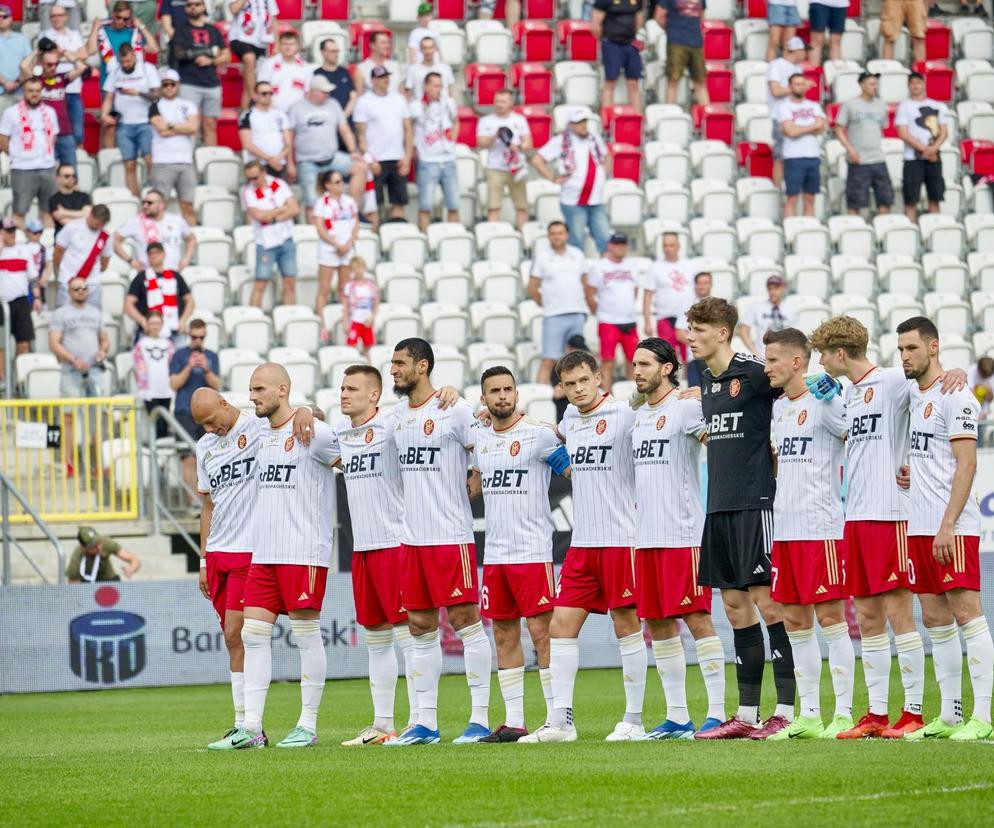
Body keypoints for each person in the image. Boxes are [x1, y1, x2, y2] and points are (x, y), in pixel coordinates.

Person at [807, 314, 965, 739]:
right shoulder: (849, 395)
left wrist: (956, 370)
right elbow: (844, 434)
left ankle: (912, 711)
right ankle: (876, 714)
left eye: (823, 353)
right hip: (854, 518)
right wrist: (826, 401)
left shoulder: (894, 381)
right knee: (868, 614)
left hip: (890, 515)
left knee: (898, 612)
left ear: (840, 353)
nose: (820, 361)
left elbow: (933, 380)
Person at [209, 364, 339, 750]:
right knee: (252, 634)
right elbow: (228, 418)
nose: (252, 396)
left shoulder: (314, 433)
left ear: (283, 390)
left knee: (305, 634)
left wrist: (308, 410)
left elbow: (353, 463)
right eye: (251, 390)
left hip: (303, 550)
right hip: (263, 552)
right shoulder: (257, 430)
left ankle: (308, 726)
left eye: (259, 389)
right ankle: (251, 728)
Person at [683, 297, 796, 741]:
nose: (690, 336)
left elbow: (797, 383)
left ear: (722, 332)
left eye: (698, 329)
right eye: (689, 328)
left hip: (754, 503)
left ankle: (785, 711)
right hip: (718, 507)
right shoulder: (706, 381)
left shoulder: (752, 370)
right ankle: (746, 715)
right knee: (733, 608)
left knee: (768, 603)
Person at [520, 350, 643, 743]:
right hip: (582, 544)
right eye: (569, 384)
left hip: (621, 540)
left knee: (626, 625)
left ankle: (634, 720)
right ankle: (561, 722)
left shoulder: (624, 415)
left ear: (598, 378)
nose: (577, 389)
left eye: (583, 381)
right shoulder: (570, 419)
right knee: (560, 627)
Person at [192, 385, 317, 750]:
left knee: (239, 631)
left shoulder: (256, 428)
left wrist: (307, 408)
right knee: (231, 637)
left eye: (212, 421)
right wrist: (202, 559)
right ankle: (241, 723)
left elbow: (295, 417)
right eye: (203, 425)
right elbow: (208, 506)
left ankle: (252, 726)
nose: (210, 429)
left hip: (252, 549)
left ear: (225, 404)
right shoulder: (205, 448)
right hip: (218, 551)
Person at [384, 338, 492, 746]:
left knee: (466, 623)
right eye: (392, 363)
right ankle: (424, 723)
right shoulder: (396, 416)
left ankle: (479, 720)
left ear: (422, 366)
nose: (393, 370)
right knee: (419, 627)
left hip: (451, 538)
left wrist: (477, 477)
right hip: (412, 541)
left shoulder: (454, 409)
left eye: (400, 363)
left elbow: (484, 444)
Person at [898, 316, 994, 741]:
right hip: (919, 526)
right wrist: (910, 473)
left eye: (912, 349)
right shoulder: (915, 396)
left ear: (933, 348)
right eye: (900, 349)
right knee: (935, 619)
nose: (905, 356)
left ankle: (983, 716)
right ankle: (952, 714)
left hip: (949, 527)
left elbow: (967, 464)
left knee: (968, 616)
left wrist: (948, 524)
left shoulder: (956, 396)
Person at [630, 339, 727, 738]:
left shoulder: (686, 407)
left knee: (697, 618)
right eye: (634, 364)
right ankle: (677, 716)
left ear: (667, 368)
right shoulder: (636, 415)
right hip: (646, 536)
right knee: (657, 623)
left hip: (684, 534)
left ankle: (718, 714)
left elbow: (721, 445)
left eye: (645, 364)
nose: (636, 371)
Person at [762, 328, 856, 740]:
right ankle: (811, 715)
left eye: (773, 361)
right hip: (786, 530)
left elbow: (849, 429)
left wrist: (833, 394)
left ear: (797, 361)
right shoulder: (778, 408)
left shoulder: (825, 400)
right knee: (796, 622)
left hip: (821, 530)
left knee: (832, 620)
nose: (767, 368)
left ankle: (845, 713)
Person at [470, 367, 568, 742]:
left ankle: (554, 718)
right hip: (495, 556)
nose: (502, 396)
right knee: (504, 636)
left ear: (517, 394)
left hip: (532, 553)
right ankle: (514, 721)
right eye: (494, 391)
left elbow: (573, 471)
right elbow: (474, 489)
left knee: (542, 634)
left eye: (508, 389)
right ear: (484, 398)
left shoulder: (539, 436)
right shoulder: (480, 439)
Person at [335, 365, 418, 746]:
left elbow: (428, 412)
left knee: (408, 637)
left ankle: (420, 722)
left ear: (374, 395)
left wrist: (449, 392)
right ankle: (383, 724)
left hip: (395, 544)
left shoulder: (393, 425)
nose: (343, 394)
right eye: (341, 388)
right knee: (376, 639)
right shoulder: (341, 436)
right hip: (363, 549)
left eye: (352, 388)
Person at [533, 108, 610, 254]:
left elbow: (607, 155)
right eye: (578, 123)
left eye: (584, 122)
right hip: (573, 201)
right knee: (576, 241)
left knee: (605, 240)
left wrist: (603, 173)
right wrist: (553, 178)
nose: (583, 125)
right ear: (571, 125)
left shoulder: (594, 138)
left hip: (596, 200)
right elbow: (537, 160)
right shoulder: (560, 141)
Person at [289, 75, 365, 217]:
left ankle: (353, 211)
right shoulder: (297, 108)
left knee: (360, 168)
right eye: (325, 92)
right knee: (313, 203)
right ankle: (314, 233)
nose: (328, 95)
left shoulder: (333, 104)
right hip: (307, 161)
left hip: (332, 157)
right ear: (314, 92)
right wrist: (290, 163)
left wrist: (353, 150)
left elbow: (344, 129)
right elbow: (290, 137)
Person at [528, 220, 588, 386]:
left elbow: (585, 282)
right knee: (549, 359)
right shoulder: (542, 257)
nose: (557, 237)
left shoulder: (577, 254)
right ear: (548, 236)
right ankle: (540, 398)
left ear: (567, 235)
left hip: (577, 313)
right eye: (553, 233)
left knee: (577, 360)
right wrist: (548, 304)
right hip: (554, 315)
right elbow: (532, 288)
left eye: (560, 233)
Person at [353, 66, 413, 224]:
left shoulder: (398, 99)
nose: (385, 80)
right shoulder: (364, 102)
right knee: (374, 203)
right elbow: (360, 134)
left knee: (399, 201)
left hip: (397, 157)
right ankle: (376, 238)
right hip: (376, 158)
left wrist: (407, 157)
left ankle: (397, 235)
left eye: (387, 76)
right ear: (373, 80)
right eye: (381, 77)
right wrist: (369, 159)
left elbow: (407, 129)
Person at [169, 318, 221, 497]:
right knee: (188, 458)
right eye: (194, 337)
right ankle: (193, 504)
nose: (198, 341)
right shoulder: (179, 355)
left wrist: (206, 369)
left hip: (208, 414)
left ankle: (207, 502)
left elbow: (217, 385)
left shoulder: (212, 356)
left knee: (208, 457)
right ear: (189, 335)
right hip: (185, 412)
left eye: (201, 337)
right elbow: (174, 384)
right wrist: (189, 367)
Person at [101, 43, 161, 197]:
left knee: (150, 161)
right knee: (129, 164)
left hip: (145, 122)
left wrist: (138, 93)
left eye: (128, 61)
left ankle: (155, 194)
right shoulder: (115, 72)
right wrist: (105, 114)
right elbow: (108, 97)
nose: (126, 65)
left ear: (134, 56)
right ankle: (135, 199)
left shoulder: (147, 69)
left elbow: (156, 96)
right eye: (123, 62)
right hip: (124, 125)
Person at [583, 232, 639, 392]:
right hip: (608, 321)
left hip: (629, 320)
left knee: (633, 360)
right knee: (608, 361)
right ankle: (607, 395)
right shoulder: (599, 267)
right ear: (610, 246)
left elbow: (635, 291)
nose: (620, 248)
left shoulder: (632, 266)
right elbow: (589, 292)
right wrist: (596, 310)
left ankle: (632, 393)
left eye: (623, 244)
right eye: (617, 244)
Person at [0, 77, 59, 229]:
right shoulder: (11, 113)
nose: (34, 94)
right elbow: (3, 139)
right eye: (30, 91)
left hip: (47, 167)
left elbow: (54, 137)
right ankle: (21, 249)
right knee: (20, 211)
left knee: (49, 211)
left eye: (38, 91)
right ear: (24, 92)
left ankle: (47, 246)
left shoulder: (50, 112)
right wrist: (17, 155)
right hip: (22, 169)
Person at [21, 39, 87, 169]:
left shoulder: (62, 78)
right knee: (47, 172)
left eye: (55, 64)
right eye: (49, 64)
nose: (53, 67)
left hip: (65, 132)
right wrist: (36, 52)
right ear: (42, 63)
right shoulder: (36, 81)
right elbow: (24, 66)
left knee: (71, 172)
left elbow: (82, 67)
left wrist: (64, 52)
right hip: (44, 133)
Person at [241, 160, 300, 307]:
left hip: (285, 239)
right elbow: (259, 216)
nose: (253, 182)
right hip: (266, 243)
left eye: (255, 177)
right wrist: (281, 209)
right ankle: (253, 319)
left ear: (263, 173)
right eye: (249, 179)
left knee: (289, 282)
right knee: (260, 283)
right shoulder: (249, 192)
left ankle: (289, 317)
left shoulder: (278, 183)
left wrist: (272, 217)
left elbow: (294, 209)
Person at [170, 0, 228, 147]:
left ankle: (211, 161)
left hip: (212, 84)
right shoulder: (181, 30)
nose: (193, 7)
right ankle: (191, 162)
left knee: (210, 125)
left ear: (203, 6)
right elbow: (178, 54)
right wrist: (205, 52)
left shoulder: (213, 30)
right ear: (186, 8)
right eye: (189, 5)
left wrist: (211, 61)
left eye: (197, 4)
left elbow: (226, 55)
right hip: (188, 83)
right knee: (190, 125)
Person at [836, 72, 894, 217]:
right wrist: (850, 150)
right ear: (862, 85)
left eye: (876, 84)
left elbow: (882, 128)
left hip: (878, 159)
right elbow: (838, 129)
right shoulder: (850, 104)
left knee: (885, 200)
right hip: (859, 160)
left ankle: (883, 230)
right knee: (855, 202)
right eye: (871, 84)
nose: (875, 87)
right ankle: (855, 233)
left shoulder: (881, 105)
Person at [149, 68, 200, 227]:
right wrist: (181, 127)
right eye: (165, 85)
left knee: (188, 206)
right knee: (158, 206)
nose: (169, 87)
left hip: (185, 161)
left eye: (172, 84)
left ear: (178, 85)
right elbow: (161, 130)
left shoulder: (188, 105)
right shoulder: (155, 106)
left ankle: (191, 243)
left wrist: (171, 125)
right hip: (162, 162)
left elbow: (193, 127)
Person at [410, 72, 459, 232]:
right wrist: (412, 146)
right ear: (426, 86)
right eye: (436, 85)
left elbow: (456, 121)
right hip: (427, 160)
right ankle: (426, 239)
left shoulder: (448, 103)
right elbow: (408, 127)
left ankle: (453, 237)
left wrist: (453, 138)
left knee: (453, 204)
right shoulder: (416, 106)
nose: (439, 89)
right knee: (426, 205)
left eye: (441, 85)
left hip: (448, 159)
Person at [895, 72, 948, 222]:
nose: (915, 86)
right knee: (911, 199)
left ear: (924, 84)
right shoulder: (904, 106)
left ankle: (935, 229)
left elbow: (944, 131)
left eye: (918, 82)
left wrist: (934, 149)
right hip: (913, 158)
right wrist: (924, 149)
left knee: (935, 196)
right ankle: (910, 230)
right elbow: (903, 133)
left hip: (934, 156)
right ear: (908, 86)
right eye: (912, 83)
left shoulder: (936, 105)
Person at [477, 90, 532, 230]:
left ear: (511, 102)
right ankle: (494, 234)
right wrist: (495, 136)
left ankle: (523, 237)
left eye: (503, 102)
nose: (500, 105)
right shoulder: (486, 120)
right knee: (493, 206)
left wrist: (518, 147)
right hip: (495, 167)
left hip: (516, 167)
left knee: (521, 206)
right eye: (497, 101)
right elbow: (480, 143)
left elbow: (529, 142)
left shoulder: (519, 120)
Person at [49, 275, 108, 397]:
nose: (81, 291)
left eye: (84, 288)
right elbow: (54, 343)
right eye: (76, 289)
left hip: (95, 369)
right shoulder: (60, 313)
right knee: (70, 412)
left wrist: (102, 351)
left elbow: (104, 339)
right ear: (69, 292)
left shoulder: (96, 312)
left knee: (100, 411)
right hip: (71, 371)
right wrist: (74, 360)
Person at [124, 242, 194, 342]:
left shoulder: (175, 276)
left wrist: (183, 320)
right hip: (149, 332)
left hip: (174, 330)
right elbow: (129, 303)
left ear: (164, 254)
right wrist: (143, 321)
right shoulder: (141, 278)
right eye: (150, 253)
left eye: (157, 252)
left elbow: (189, 300)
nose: (154, 255)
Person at [113, 189, 196, 274]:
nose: (145, 205)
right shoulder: (136, 222)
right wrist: (130, 261)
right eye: (143, 202)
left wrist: (186, 259)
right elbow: (115, 239)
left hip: (173, 275)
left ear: (161, 205)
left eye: (149, 203)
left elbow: (191, 239)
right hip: (148, 276)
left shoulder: (176, 220)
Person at [313, 172, 360, 317]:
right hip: (329, 250)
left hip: (347, 249)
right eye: (337, 182)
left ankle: (344, 319)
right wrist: (337, 245)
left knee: (344, 289)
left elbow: (356, 224)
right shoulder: (322, 203)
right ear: (328, 185)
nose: (341, 185)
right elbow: (321, 229)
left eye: (342, 181)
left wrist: (348, 243)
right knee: (324, 288)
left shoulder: (349, 201)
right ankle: (321, 323)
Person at [642, 232, 695, 361]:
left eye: (671, 245)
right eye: (665, 246)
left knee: (689, 356)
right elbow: (648, 296)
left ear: (678, 246)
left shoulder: (690, 265)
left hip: (687, 318)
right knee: (667, 358)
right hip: (665, 318)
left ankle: (689, 381)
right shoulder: (655, 267)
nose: (667, 249)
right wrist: (647, 322)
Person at [780, 73, 827, 218]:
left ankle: (809, 231)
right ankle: (789, 233)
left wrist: (800, 128)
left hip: (813, 156)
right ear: (790, 86)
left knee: (810, 198)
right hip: (794, 157)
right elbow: (790, 131)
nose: (799, 87)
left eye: (802, 84)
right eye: (796, 84)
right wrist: (811, 127)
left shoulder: (814, 106)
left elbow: (821, 128)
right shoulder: (784, 107)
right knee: (792, 198)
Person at [41, 5, 87, 148]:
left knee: (78, 132)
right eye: (53, 16)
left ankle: (76, 163)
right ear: (49, 18)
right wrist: (73, 55)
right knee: (51, 132)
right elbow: (48, 57)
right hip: (53, 90)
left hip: (73, 88)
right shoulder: (45, 35)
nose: (57, 18)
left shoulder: (74, 34)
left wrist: (63, 53)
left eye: (60, 15)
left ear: (66, 16)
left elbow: (84, 55)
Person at [0, 217, 41, 372]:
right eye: (8, 231)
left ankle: (18, 377)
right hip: (1, 303)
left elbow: (33, 277)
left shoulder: (23, 250)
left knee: (24, 343)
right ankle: (2, 382)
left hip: (20, 301)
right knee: (0, 345)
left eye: (13, 231)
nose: (12, 235)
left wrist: (37, 297)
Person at [767, 37, 808, 187]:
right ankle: (778, 188)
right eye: (803, 50)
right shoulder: (776, 65)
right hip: (780, 117)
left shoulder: (798, 68)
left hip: (796, 117)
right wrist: (797, 88)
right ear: (796, 50)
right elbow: (776, 91)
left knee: (797, 155)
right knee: (781, 156)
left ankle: (793, 187)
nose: (805, 54)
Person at [53, 205, 112, 309]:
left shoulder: (105, 236)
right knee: (64, 315)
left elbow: (105, 262)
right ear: (91, 215)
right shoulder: (72, 227)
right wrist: (63, 271)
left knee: (93, 318)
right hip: (68, 280)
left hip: (92, 284)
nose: (99, 227)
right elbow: (58, 251)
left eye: (102, 225)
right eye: (97, 223)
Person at [88, 3, 155, 92]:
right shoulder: (102, 30)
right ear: (113, 14)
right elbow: (91, 50)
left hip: (133, 83)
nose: (121, 21)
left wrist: (141, 26)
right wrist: (95, 29)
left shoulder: (133, 32)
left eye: (126, 19)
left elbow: (154, 48)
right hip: (108, 84)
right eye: (118, 17)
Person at [226, 0, 279, 110]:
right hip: (240, 37)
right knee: (249, 58)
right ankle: (253, 95)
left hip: (261, 40)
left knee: (249, 81)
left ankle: (245, 113)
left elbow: (274, 19)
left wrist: (276, 43)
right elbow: (233, 9)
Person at [591, 0, 643, 111]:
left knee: (634, 82)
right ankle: (607, 118)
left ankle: (637, 117)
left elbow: (638, 20)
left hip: (630, 44)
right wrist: (605, 40)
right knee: (610, 82)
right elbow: (595, 26)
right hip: (612, 44)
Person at [655, 0, 709, 106]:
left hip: (696, 42)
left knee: (700, 82)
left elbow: (701, 17)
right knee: (673, 81)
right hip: (676, 42)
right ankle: (670, 116)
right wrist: (672, 30)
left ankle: (707, 118)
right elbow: (659, 16)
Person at [238, 81, 293, 180]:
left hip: (279, 164)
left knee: (279, 193)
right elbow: (247, 143)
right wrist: (269, 159)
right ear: (255, 95)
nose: (268, 96)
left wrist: (286, 162)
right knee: (260, 194)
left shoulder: (281, 115)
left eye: (270, 93)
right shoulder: (247, 116)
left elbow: (288, 142)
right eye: (264, 93)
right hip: (258, 166)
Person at [133, 310, 175, 438]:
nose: (155, 326)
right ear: (147, 324)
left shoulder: (168, 344)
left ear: (162, 324)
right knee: (156, 422)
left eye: (158, 323)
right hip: (150, 390)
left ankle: (163, 454)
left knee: (165, 423)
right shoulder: (141, 344)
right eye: (152, 323)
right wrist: (144, 388)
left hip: (166, 389)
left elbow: (172, 365)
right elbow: (139, 368)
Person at [736, 275, 796, 355]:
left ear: (782, 289)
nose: (772, 292)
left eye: (776, 288)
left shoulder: (790, 309)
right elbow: (743, 330)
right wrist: (754, 351)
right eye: (770, 289)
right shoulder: (757, 306)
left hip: (783, 356)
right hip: (763, 355)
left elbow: (794, 335)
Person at [257, 30, 313, 114]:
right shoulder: (269, 64)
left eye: (291, 44)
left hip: (298, 114)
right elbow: (261, 89)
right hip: (273, 113)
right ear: (279, 46)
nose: (288, 47)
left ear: (297, 46)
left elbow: (309, 93)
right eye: (285, 44)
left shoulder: (306, 68)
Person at [66, 526, 141, 583]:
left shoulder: (105, 543)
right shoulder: (77, 557)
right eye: (93, 546)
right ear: (84, 548)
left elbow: (134, 560)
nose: (98, 547)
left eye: (98, 542)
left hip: (109, 580)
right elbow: (73, 587)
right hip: (87, 584)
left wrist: (131, 569)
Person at [0, 4, 32, 120]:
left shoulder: (21, 39)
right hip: (1, 94)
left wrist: (17, 82)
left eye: (5, 16)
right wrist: (6, 83)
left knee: (22, 130)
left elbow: (29, 63)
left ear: (11, 19)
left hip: (21, 92)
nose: (1, 19)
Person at [342, 257, 380, 354]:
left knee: (368, 345)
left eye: (360, 268)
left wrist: (372, 318)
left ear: (364, 268)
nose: (358, 271)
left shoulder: (371, 285)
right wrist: (345, 321)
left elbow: (376, 304)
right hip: (354, 319)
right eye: (354, 269)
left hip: (367, 319)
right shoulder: (349, 286)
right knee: (352, 344)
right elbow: (345, 306)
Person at [312, 38, 356, 120]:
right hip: (326, 122)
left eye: (337, 51)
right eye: (333, 51)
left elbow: (353, 96)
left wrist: (343, 117)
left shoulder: (344, 72)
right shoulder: (316, 74)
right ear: (323, 52)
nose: (336, 54)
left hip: (346, 120)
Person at [683, 271, 712, 388]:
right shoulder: (688, 305)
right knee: (694, 398)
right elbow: (679, 332)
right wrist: (701, 342)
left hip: (714, 358)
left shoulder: (719, 306)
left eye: (705, 283)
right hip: (695, 359)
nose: (702, 286)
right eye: (699, 283)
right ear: (695, 285)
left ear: (711, 284)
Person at [404, 37, 454, 102]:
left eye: (430, 47)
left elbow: (450, 93)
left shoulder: (446, 68)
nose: (428, 51)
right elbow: (408, 95)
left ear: (435, 49)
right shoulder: (413, 70)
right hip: (420, 110)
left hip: (442, 110)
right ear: (420, 50)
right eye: (425, 48)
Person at [49, 163, 91, 236]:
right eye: (67, 176)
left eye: (73, 175)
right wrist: (82, 216)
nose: (71, 178)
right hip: (63, 236)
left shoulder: (84, 196)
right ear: (58, 179)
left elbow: (88, 215)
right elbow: (63, 221)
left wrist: (64, 212)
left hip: (83, 235)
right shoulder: (54, 199)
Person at [354, 31, 400, 96]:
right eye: (383, 43)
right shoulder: (362, 68)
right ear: (372, 46)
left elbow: (400, 91)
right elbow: (359, 96)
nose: (387, 46)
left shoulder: (394, 65)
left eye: (388, 43)